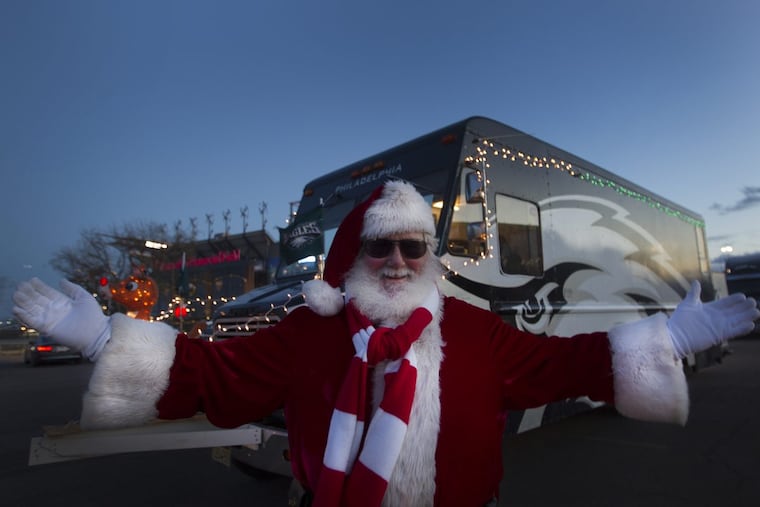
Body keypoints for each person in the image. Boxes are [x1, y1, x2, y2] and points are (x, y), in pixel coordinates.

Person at [13, 180, 760, 507]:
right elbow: (215, 373)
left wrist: (668, 336)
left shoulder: (470, 328)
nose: (400, 260)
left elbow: (564, 364)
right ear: (354, 261)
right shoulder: (309, 333)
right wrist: (99, 334)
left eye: (412, 246)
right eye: (383, 248)